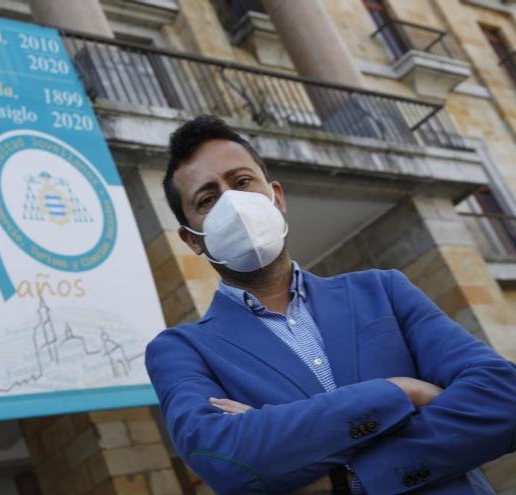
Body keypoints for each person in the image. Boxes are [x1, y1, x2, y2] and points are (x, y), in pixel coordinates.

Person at [144, 115, 516, 494]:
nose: (233, 205)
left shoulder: (381, 290)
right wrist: (401, 392)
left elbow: (504, 396)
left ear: (277, 196)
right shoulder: (182, 350)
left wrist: (349, 480)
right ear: (192, 240)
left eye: (242, 182)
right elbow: (226, 459)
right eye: (207, 200)